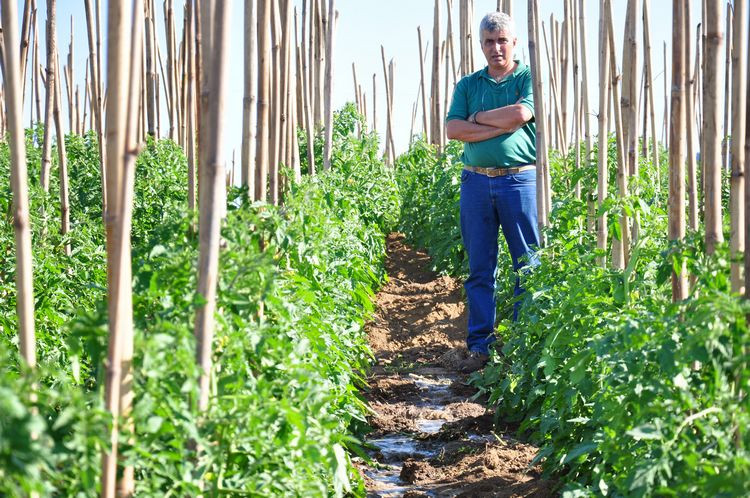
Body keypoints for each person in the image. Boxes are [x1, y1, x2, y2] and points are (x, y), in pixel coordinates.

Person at [445, 11, 540, 374]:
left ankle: (520, 343)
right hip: (476, 182)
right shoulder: (468, 84)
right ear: (481, 45)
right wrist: (498, 125)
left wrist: (479, 119)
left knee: (527, 265)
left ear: (513, 43)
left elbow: (520, 113)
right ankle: (480, 347)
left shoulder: (527, 77)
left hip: (520, 181)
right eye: (489, 41)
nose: (496, 47)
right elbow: (454, 129)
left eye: (502, 40)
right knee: (480, 268)